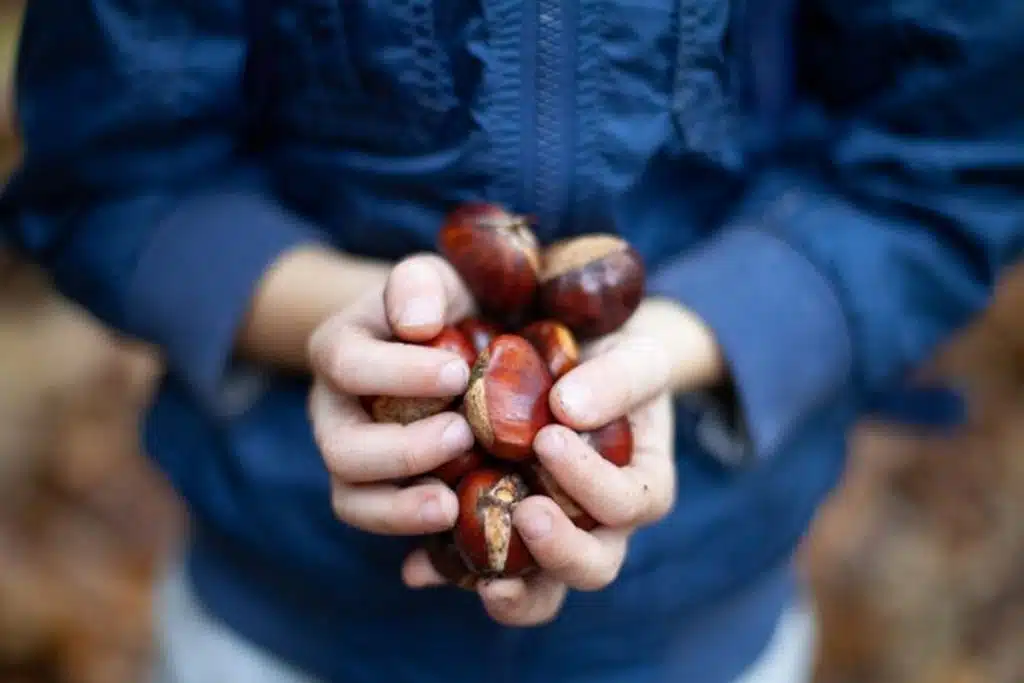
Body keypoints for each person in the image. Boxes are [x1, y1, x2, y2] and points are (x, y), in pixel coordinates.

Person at [2, 0, 1022, 681]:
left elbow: (944, 160)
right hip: (281, 623)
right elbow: (109, 170)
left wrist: (684, 339)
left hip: (699, 627)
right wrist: (332, 319)